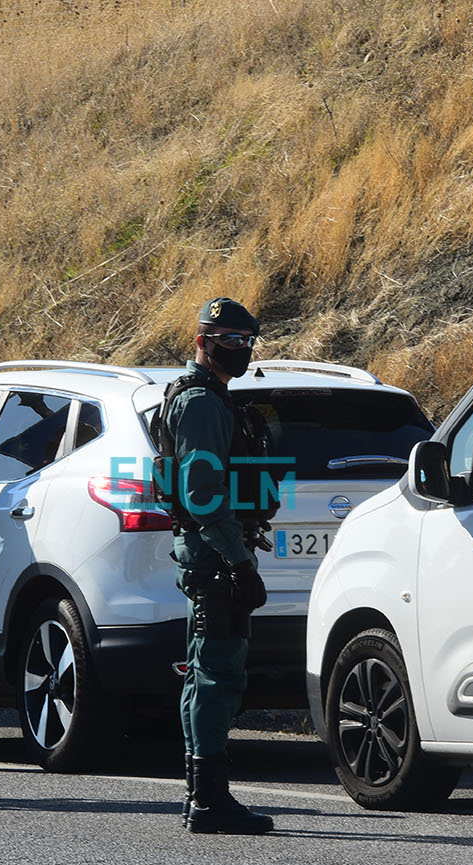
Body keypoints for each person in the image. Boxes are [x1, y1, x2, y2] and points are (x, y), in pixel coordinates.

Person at [153, 296, 276, 834]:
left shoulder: (206, 397)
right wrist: (239, 560)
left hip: (210, 554)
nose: (239, 350)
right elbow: (202, 492)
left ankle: (200, 796)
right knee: (218, 675)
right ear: (201, 341)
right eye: (228, 340)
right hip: (216, 557)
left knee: (204, 673)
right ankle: (208, 799)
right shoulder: (202, 403)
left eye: (246, 341)